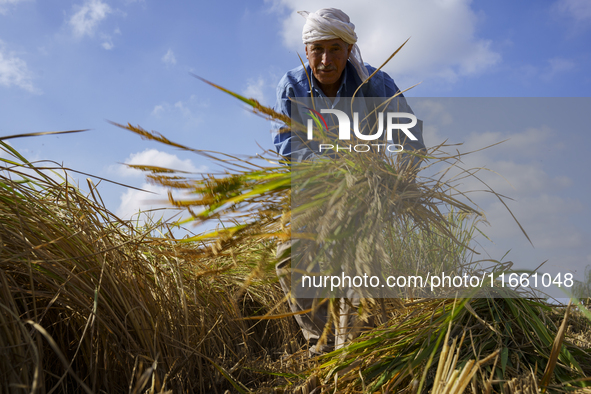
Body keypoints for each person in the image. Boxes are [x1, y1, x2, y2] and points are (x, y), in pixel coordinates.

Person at [272, 8, 426, 355]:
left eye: (335, 49)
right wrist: (329, 169)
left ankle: (355, 351)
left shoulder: (374, 83)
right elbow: (287, 145)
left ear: (349, 49)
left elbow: (411, 137)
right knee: (289, 260)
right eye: (318, 49)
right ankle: (321, 342)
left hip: (364, 189)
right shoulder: (293, 87)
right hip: (313, 186)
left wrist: (401, 178)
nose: (326, 60)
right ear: (306, 50)